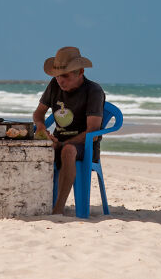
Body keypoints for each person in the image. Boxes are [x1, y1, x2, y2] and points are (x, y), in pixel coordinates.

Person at [33, 46, 105, 215]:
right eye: (57, 76)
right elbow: (38, 113)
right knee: (32, 150)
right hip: (59, 142)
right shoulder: (54, 86)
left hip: (85, 147)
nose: (60, 81)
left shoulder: (93, 91)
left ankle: (58, 208)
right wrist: (42, 128)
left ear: (80, 71)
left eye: (64, 76)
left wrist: (63, 143)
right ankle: (36, 201)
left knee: (68, 150)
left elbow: (93, 131)